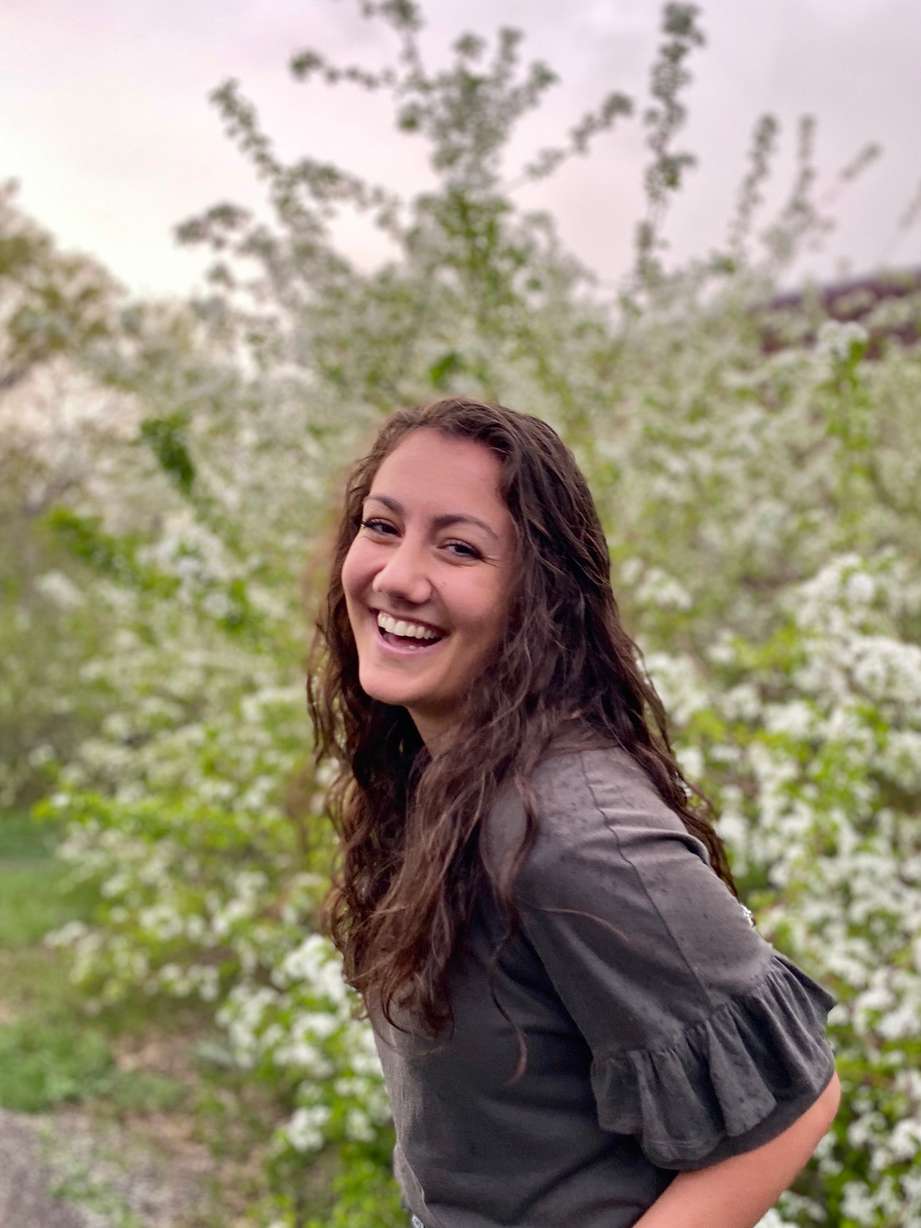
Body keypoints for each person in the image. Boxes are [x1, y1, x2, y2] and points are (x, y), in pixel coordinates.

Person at [307, 397, 840, 1228]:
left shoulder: (573, 833)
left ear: (537, 597)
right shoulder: (441, 767)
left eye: (458, 547)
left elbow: (795, 1104)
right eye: (382, 526)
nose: (398, 576)